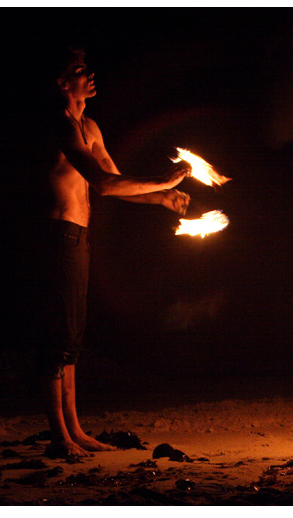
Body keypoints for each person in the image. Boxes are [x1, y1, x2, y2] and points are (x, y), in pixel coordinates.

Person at [38, 47, 191, 458]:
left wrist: (160, 197)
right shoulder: (62, 126)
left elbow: (116, 181)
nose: (89, 74)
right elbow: (101, 183)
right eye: (78, 70)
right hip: (59, 237)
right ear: (62, 83)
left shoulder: (89, 125)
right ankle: (59, 437)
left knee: (72, 339)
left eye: (87, 67)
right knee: (57, 339)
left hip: (78, 238)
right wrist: (161, 180)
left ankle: (75, 430)